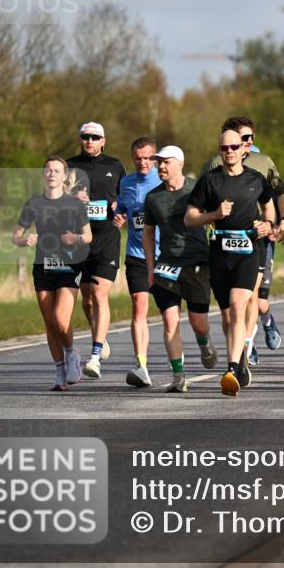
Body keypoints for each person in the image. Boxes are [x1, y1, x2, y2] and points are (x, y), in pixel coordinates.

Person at [186, 127, 276, 397]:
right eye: (224, 149)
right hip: (219, 252)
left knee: (239, 306)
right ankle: (240, 358)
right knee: (227, 316)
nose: (229, 153)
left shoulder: (256, 179)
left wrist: (268, 224)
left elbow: (270, 206)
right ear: (219, 151)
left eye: (234, 148)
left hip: (249, 250)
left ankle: (232, 368)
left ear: (243, 149)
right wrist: (213, 214)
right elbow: (189, 218)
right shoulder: (209, 181)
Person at [203, 118, 284, 361]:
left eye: (250, 138)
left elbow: (279, 192)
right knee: (230, 309)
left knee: (252, 297)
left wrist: (280, 222)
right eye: (242, 139)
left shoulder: (263, 163)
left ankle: (247, 344)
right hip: (223, 240)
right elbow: (200, 198)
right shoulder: (213, 166)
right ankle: (243, 341)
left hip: (256, 239)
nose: (246, 143)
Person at [142, 145, 218, 393]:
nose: (160, 166)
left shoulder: (199, 188)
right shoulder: (153, 197)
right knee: (169, 321)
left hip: (197, 262)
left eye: (166, 162)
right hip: (167, 265)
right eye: (158, 162)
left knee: (198, 323)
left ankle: (204, 342)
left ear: (180, 164)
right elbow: (148, 234)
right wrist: (150, 269)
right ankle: (178, 375)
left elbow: (217, 218)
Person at [13, 157, 92, 390]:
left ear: (64, 176)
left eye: (57, 170)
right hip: (43, 266)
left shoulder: (75, 204)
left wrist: (76, 238)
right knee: (49, 323)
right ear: (43, 174)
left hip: (70, 266)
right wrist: (23, 240)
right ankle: (59, 370)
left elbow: (88, 236)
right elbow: (15, 235)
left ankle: (70, 355)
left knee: (60, 318)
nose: (51, 174)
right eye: (48, 170)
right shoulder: (34, 203)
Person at [67, 122, 125, 378]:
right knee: (87, 298)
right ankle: (98, 333)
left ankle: (94, 355)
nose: (90, 141)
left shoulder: (116, 166)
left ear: (104, 141)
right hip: (79, 239)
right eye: (85, 137)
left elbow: (127, 201)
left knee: (100, 294)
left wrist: (120, 213)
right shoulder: (69, 166)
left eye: (95, 137)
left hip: (107, 239)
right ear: (80, 139)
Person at [112, 137, 161, 387]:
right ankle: (141, 365)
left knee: (169, 312)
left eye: (147, 158)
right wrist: (118, 217)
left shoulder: (163, 181)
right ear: (133, 158)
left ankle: (181, 360)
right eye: (138, 158)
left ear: (154, 158)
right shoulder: (126, 182)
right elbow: (120, 209)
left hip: (163, 255)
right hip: (136, 254)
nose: (143, 162)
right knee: (138, 306)